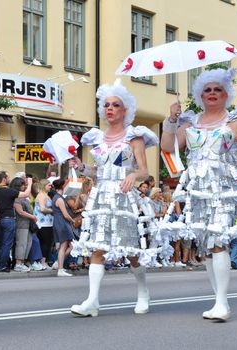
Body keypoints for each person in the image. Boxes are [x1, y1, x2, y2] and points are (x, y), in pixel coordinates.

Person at [161, 68, 237, 321]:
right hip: (197, 191)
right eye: (207, 89)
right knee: (207, 246)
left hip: (223, 190)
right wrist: (171, 120)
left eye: (217, 89)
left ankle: (222, 303)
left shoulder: (235, 121)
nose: (212, 93)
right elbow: (168, 147)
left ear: (226, 94)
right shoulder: (190, 122)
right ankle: (218, 300)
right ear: (200, 94)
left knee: (219, 241)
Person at [70, 79, 160, 317]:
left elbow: (144, 170)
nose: (110, 109)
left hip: (123, 198)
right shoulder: (97, 138)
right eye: (107, 105)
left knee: (130, 250)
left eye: (115, 105)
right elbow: (96, 172)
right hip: (100, 197)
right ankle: (92, 301)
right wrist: (81, 167)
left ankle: (143, 292)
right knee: (97, 248)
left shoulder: (134, 136)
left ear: (125, 109)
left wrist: (133, 176)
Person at [0, 172, 32, 272]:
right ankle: (2, 266)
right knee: (6, 244)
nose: (9, 179)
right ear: (4, 179)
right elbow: (26, 194)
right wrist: (29, 184)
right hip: (8, 219)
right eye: (8, 177)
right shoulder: (9, 191)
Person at [51, 178, 76, 277]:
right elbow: (65, 215)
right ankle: (60, 269)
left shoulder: (56, 197)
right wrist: (73, 221)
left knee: (70, 245)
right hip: (62, 223)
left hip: (59, 222)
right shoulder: (59, 199)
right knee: (64, 246)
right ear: (63, 187)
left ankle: (58, 263)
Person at [12, 177, 37, 273]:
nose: (24, 186)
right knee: (21, 243)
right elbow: (20, 212)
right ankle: (18, 263)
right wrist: (32, 217)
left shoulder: (23, 197)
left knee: (28, 243)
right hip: (21, 224)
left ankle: (22, 262)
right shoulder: (17, 197)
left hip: (27, 224)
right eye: (23, 184)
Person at [33, 179, 54, 268]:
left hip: (47, 222)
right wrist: (52, 211)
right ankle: (42, 262)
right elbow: (42, 209)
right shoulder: (41, 195)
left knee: (47, 243)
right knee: (45, 243)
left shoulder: (45, 195)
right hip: (43, 223)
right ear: (44, 186)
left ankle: (43, 261)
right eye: (49, 185)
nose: (51, 187)